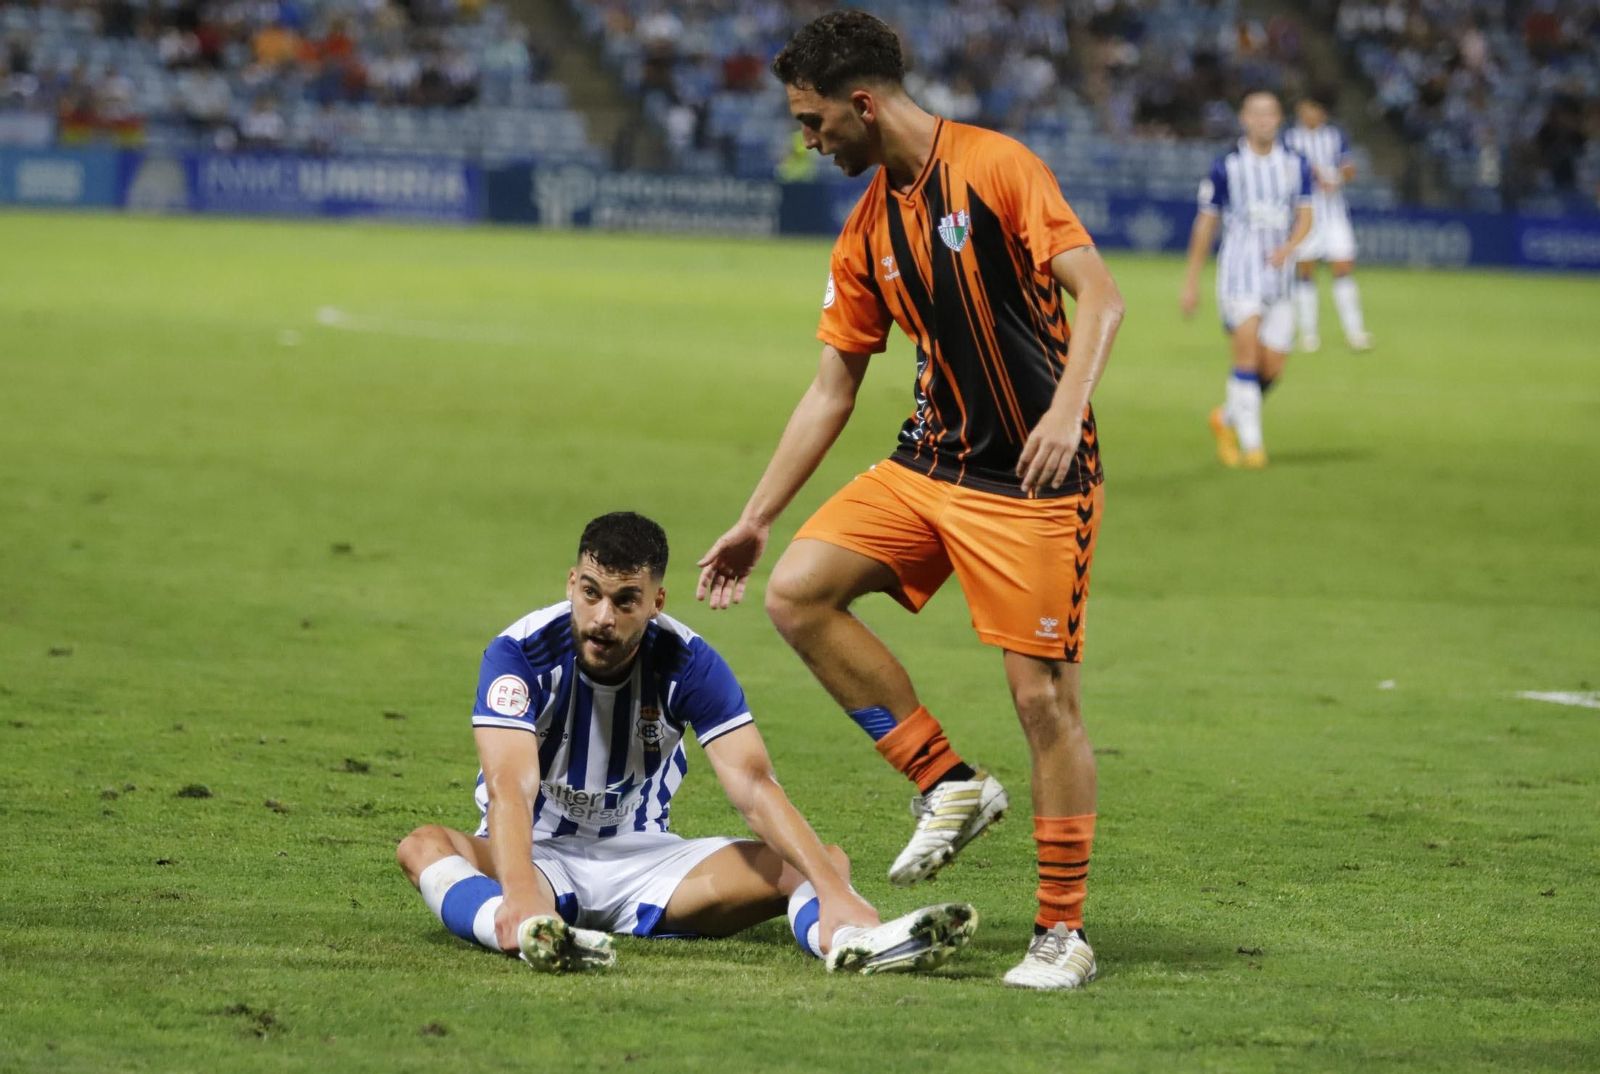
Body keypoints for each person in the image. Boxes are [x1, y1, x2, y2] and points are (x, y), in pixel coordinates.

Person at [695, 11, 1124, 991]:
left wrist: (1064, 415)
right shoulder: (866, 225)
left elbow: (1097, 295)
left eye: (811, 122)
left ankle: (1062, 936)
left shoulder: (996, 167)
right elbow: (831, 386)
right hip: (930, 466)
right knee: (796, 591)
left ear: (860, 102)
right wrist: (757, 516)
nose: (808, 142)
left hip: (1032, 482)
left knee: (1041, 701)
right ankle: (950, 784)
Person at [397, 512, 977, 975]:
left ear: (655, 603)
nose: (604, 617)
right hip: (535, 855)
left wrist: (833, 890)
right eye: (592, 594)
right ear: (572, 584)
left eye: (625, 600)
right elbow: (509, 787)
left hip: (646, 861)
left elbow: (752, 786)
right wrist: (521, 890)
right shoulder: (519, 653)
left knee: (824, 864)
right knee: (422, 846)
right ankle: (520, 927)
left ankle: (851, 942)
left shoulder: (689, 663)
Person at [1180, 91, 1314, 469]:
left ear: (1279, 119)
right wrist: (1191, 280)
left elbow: (1306, 216)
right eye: (1255, 113)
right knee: (1247, 356)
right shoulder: (1226, 166)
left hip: (1281, 278)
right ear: (1243, 118)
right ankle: (1253, 447)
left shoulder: (1295, 164)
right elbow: (1206, 222)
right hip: (1239, 274)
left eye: (1269, 113)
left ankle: (1226, 418)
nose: (1262, 120)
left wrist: (1290, 247)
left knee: (1272, 368)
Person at [1282, 89, 1372, 352]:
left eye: (1318, 109)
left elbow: (1349, 168)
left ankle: (1354, 331)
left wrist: (1337, 176)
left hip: (1334, 213)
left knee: (1343, 265)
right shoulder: (1290, 139)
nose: (1314, 114)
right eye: (1310, 108)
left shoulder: (1335, 136)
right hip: (1304, 213)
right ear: (1301, 110)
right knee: (1305, 269)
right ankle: (1308, 334)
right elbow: (1286, 171)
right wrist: (1313, 174)